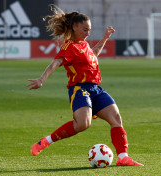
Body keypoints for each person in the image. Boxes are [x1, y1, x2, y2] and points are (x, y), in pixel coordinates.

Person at [27, 6, 143, 167]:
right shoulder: (69, 47)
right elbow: (56, 62)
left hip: (96, 89)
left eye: (89, 30)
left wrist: (104, 39)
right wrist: (42, 79)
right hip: (79, 88)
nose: (88, 33)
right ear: (74, 27)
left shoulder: (84, 44)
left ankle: (123, 157)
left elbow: (93, 54)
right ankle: (46, 141)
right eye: (85, 29)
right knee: (82, 124)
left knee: (116, 119)